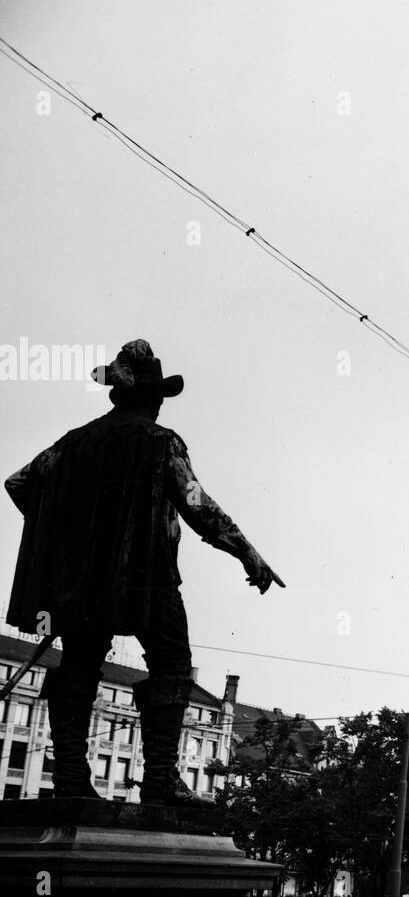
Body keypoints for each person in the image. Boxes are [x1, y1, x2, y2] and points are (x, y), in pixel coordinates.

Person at [4, 340, 283, 804]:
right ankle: (158, 781)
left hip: (83, 585)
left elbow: (18, 484)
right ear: (149, 397)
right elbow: (197, 505)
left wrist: (65, 537)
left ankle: (71, 775)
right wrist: (247, 552)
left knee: (79, 665)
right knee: (173, 665)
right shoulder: (160, 443)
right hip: (148, 578)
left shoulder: (71, 444)